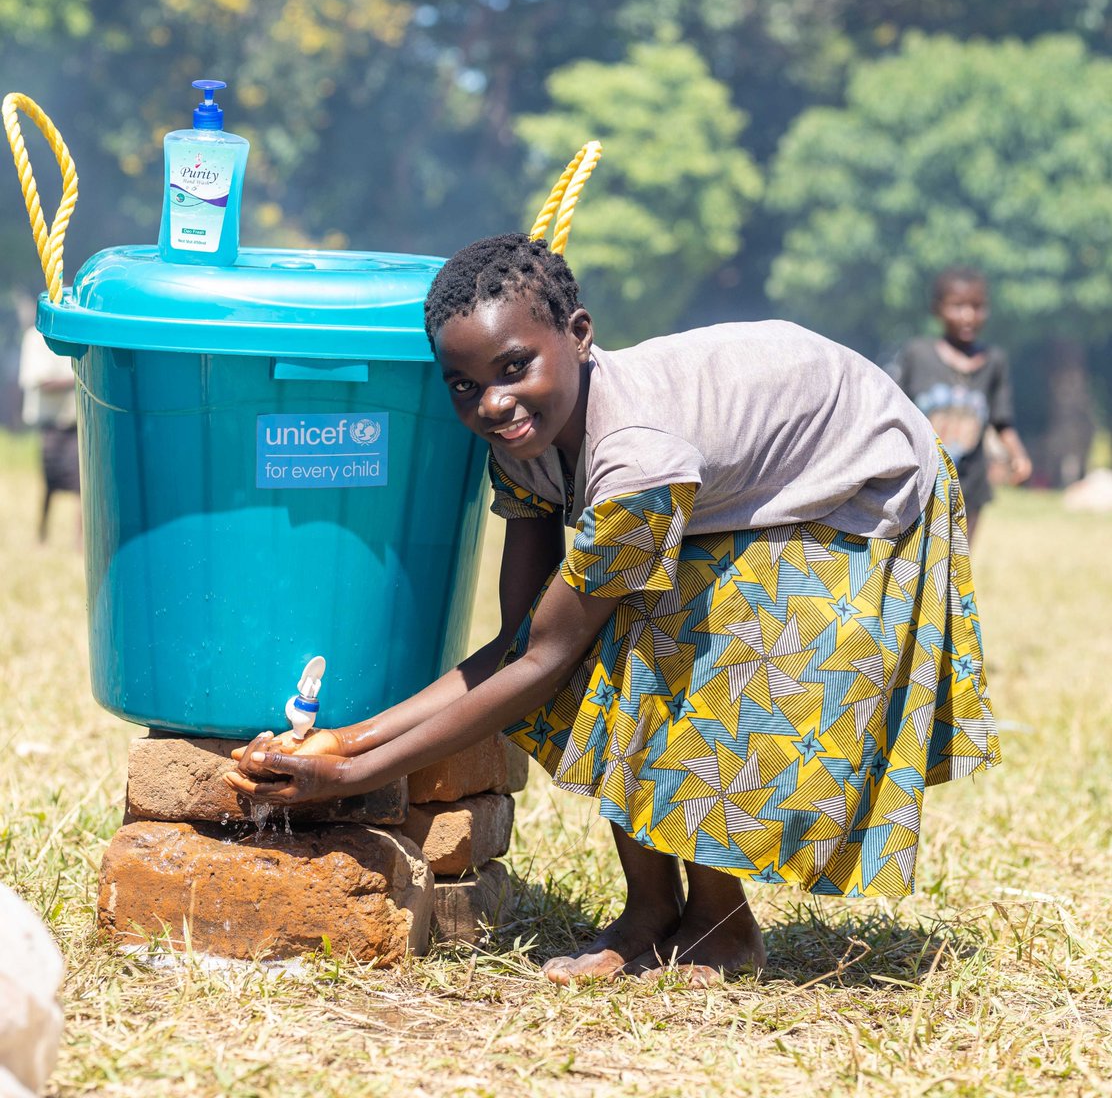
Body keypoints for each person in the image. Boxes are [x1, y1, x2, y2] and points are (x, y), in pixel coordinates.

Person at [226, 235, 1000, 986]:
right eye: (463, 385)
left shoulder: (634, 460)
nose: (493, 403)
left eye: (514, 367)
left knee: (694, 645)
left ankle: (724, 925)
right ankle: (653, 909)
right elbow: (519, 641)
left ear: (580, 335)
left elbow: (544, 663)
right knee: (624, 643)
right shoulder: (521, 438)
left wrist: (353, 774)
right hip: (744, 478)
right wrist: (338, 743)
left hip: (863, 475)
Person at [888, 268, 1031, 542]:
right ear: (937, 309)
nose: (968, 316)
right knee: (915, 558)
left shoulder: (993, 362)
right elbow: (894, 413)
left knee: (958, 563)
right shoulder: (917, 355)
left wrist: (1018, 455)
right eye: (957, 306)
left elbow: (1001, 420)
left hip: (970, 485)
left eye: (977, 307)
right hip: (920, 481)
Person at [18, 324, 80, 543]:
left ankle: (80, 540)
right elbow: (41, 380)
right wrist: (77, 378)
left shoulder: (74, 332)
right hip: (51, 422)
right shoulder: (35, 338)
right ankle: (42, 534)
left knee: (80, 483)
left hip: (75, 420)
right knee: (49, 481)